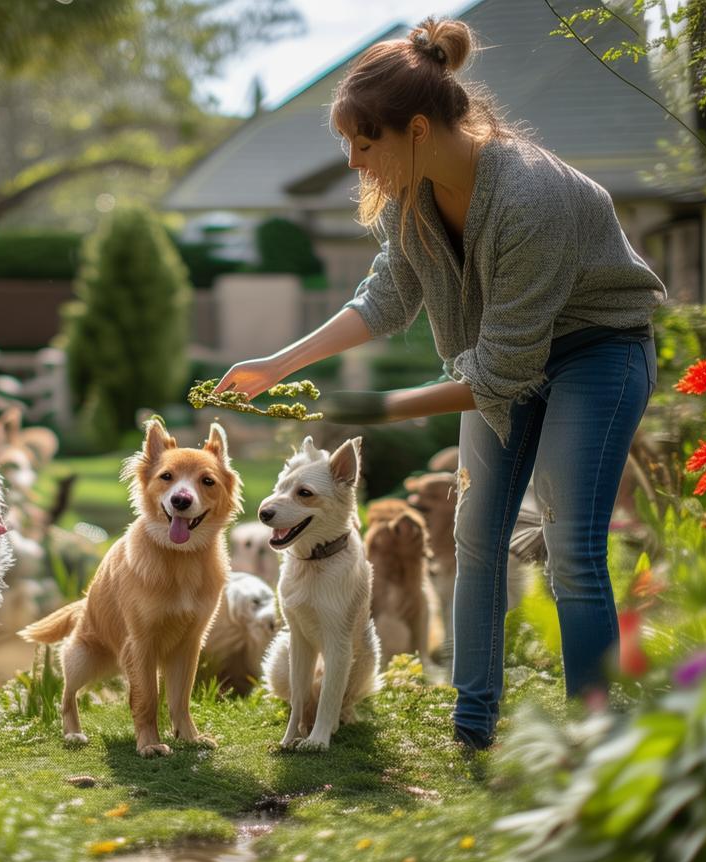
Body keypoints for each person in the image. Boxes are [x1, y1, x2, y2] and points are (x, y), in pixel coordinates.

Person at [215, 17, 664, 751]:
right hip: (499, 356)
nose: (354, 162)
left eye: (366, 144)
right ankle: (472, 727)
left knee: (572, 548)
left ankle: (597, 736)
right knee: (475, 536)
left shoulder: (531, 198)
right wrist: (278, 365)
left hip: (596, 353)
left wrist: (383, 407)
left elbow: (503, 369)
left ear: (417, 130)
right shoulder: (412, 192)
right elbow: (387, 296)